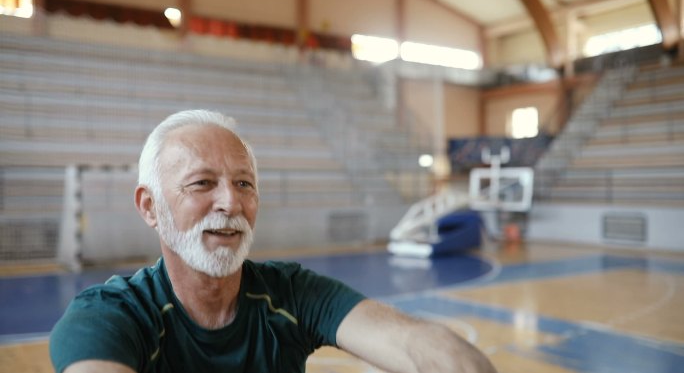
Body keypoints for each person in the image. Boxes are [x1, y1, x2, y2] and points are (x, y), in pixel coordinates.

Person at [49, 109, 497, 373]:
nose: (230, 202)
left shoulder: (291, 294)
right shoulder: (108, 317)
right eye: (202, 183)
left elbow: (413, 343)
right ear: (149, 207)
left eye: (244, 184)